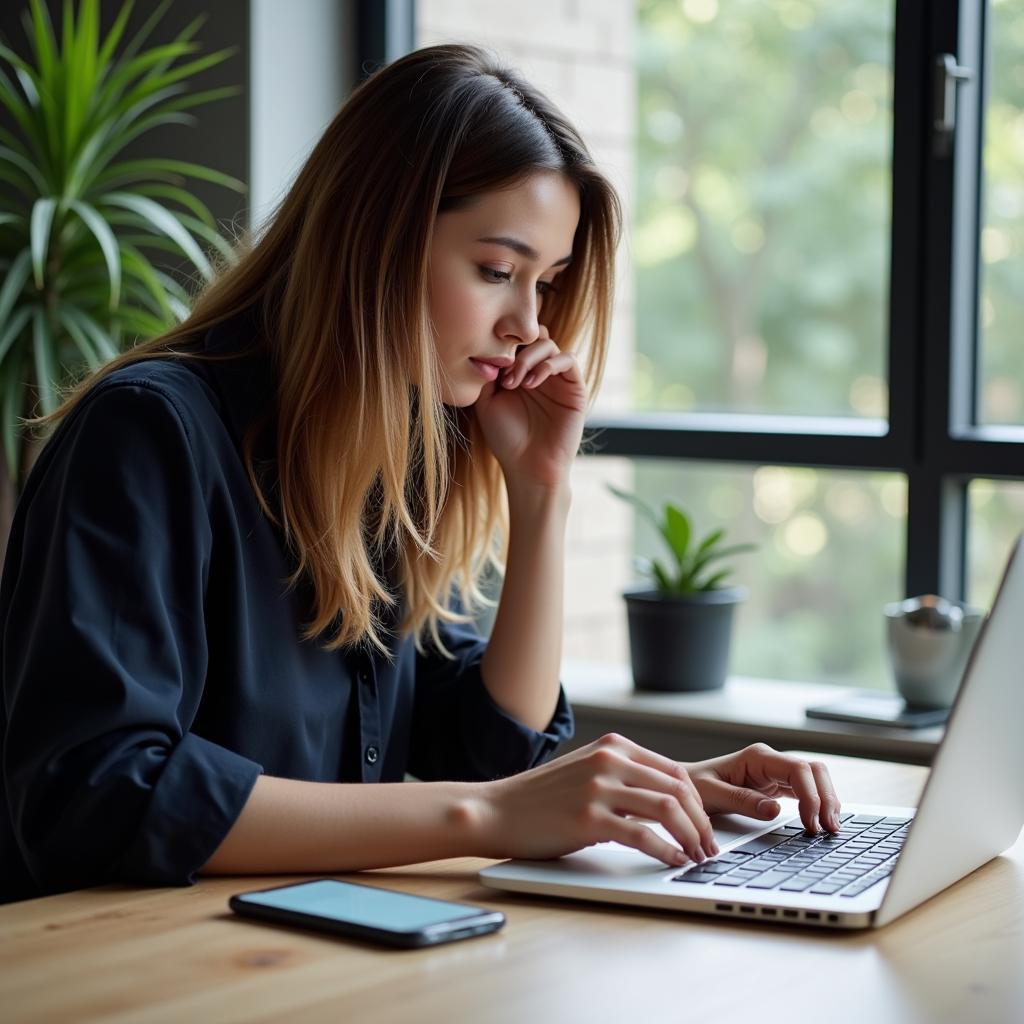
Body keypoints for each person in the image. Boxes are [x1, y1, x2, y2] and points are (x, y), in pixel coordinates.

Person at [0, 44, 840, 904]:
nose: (526, 323)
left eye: (544, 284)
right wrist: (486, 815)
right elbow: (98, 789)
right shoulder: (150, 431)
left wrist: (541, 492)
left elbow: (490, 747)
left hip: (293, 956)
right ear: (376, 238)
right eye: (495, 271)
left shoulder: (394, 451)